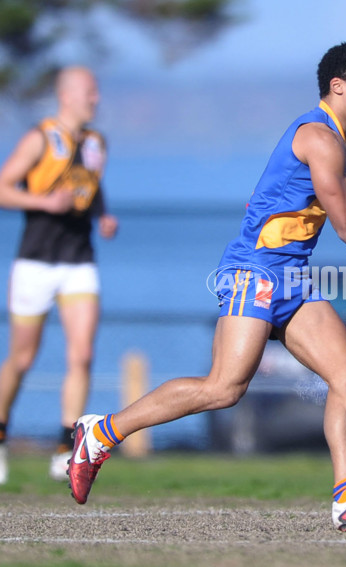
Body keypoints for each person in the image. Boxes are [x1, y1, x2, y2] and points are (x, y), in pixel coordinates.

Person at [67, 43, 346, 531]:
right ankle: (101, 432)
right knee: (225, 388)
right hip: (255, 271)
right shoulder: (317, 137)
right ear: (338, 87)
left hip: (293, 275)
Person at [0, 66, 118, 485]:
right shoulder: (40, 138)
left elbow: (92, 186)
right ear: (67, 95)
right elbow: (3, 186)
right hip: (35, 261)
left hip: (79, 262)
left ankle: (65, 447)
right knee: (23, 357)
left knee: (82, 354)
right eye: (91, 91)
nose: (96, 99)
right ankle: (1, 431)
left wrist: (103, 216)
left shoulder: (96, 143)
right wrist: (44, 203)